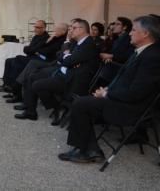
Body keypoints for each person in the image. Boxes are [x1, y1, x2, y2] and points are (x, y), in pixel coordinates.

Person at [58, 15, 160, 163]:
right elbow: (123, 80)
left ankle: (88, 150)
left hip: (131, 108)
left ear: (145, 34)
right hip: (122, 100)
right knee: (81, 101)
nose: (130, 33)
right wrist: (106, 90)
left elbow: (137, 92)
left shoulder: (153, 57)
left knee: (81, 104)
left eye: (134, 30)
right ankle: (89, 148)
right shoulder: (142, 51)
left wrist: (107, 93)